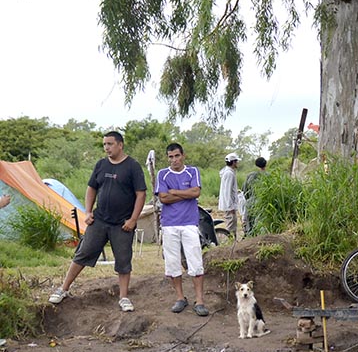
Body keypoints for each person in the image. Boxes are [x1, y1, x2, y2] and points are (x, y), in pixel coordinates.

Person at [49, 131, 147, 312]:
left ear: (120, 145)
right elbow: (91, 188)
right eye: (104, 144)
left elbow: (141, 194)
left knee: (124, 260)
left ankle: (124, 297)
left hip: (122, 224)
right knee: (83, 253)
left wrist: (133, 219)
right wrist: (87, 212)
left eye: (110, 144)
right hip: (100, 220)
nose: (107, 148)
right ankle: (63, 289)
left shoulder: (132, 166)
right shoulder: (101, 165)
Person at [156, 143, 209, 316]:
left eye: (177, 156)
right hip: (169, 223)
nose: (174, 160)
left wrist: (175, 192)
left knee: (195, 261)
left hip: (189, 222)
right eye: (170, 157)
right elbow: (163, 198)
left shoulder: (192, 171)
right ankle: (180, 298)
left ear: (183, 156)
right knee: (172, 262)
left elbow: (196, 193)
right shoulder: (162, 174)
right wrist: (185, 193)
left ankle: (199, 300)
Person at [242, 156, 267, 236]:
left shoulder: (250, 176)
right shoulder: (268, 176)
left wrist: (249, 199)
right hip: (264, 204)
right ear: (265, 164)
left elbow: (245, 190)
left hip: (251, 203)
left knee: (250, 225)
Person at [218, 153, 241, 238]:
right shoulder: (229, 173)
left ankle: (231, 243)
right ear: (233, 162)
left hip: (229, 204)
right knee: (231, 226)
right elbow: (227, 191)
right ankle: (230, 244)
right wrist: (230, 206)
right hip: (229, 205)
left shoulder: (228, 172)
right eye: (236, 161)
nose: (237, 163)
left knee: (232, 224)